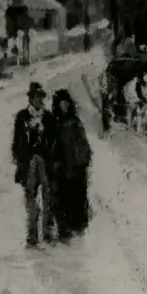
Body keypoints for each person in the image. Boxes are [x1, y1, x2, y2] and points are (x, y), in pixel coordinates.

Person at [12, 82, 57, 248]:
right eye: (37, 97)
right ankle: (32, 232)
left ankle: (46, 231)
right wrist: (20, 159)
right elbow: (17, 143)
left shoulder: (49, 117)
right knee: (30, 195)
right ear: (30, 99)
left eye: (42, 97)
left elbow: (54, 140)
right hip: (29, 161)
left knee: (48, 194)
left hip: (45, 160)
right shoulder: (22, 116)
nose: (40, 100)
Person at [50, 89, 93, 241]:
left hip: (77, 169)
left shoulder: (75, 122)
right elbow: (52, 146)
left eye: (67, 102)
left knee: (78, 198)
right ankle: (65, 230)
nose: (65, 106)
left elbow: (83, 144)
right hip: (62, 169)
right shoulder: (55, 123)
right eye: (62, 103)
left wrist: (84, 160)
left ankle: (78, 227)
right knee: (62, 199)